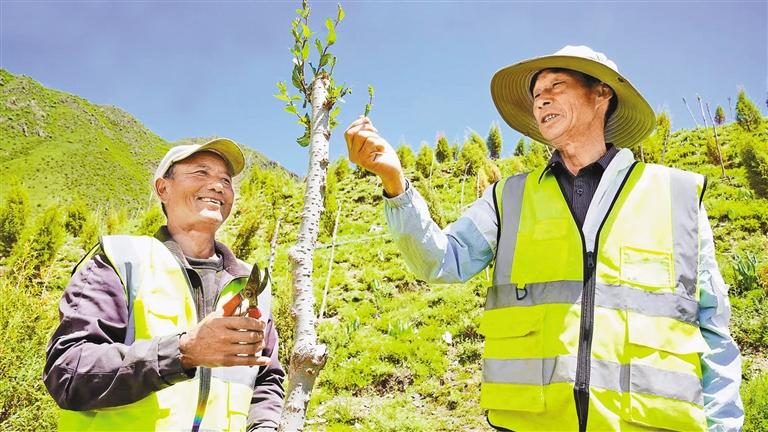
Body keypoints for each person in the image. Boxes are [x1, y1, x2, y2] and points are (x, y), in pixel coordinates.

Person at [345, 46, 743, 431]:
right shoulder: (508, 198)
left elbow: (712, 328)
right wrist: (395, 182)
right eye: (536, 95)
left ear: (601, 93)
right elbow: (440, 260)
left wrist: (724, 426)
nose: (541, 101)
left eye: (556, 86)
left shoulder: (675, 196)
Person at [44, 138, 285, 431]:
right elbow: (68, 373)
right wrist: (182, 352)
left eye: (226, 180)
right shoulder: (122, 260)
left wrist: (265, 425)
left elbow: (266, 377)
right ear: (163, 189)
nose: (217, 186)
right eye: (201, 172)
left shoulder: (251, 284)